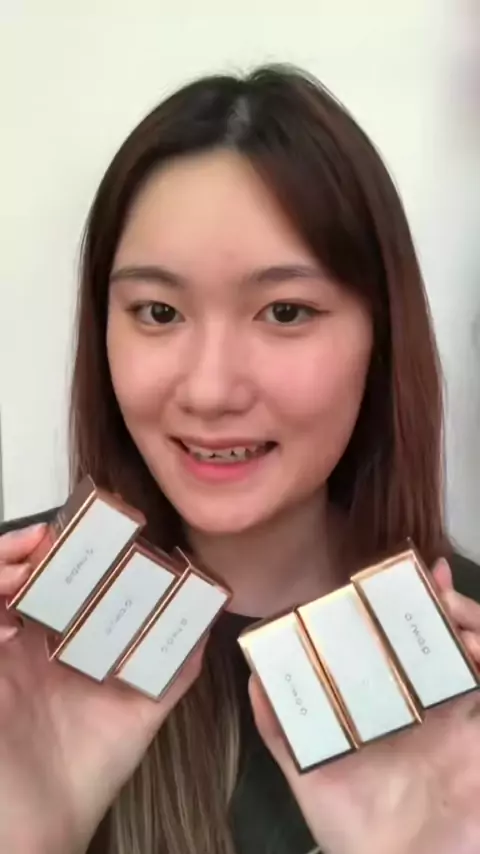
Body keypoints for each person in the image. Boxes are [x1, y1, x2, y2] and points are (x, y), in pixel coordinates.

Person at [1, 64, 480, 854]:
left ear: (381, 337)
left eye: (285, 312)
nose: (211, 389)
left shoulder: (462, 690)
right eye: (159, 312)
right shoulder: (16, 635)